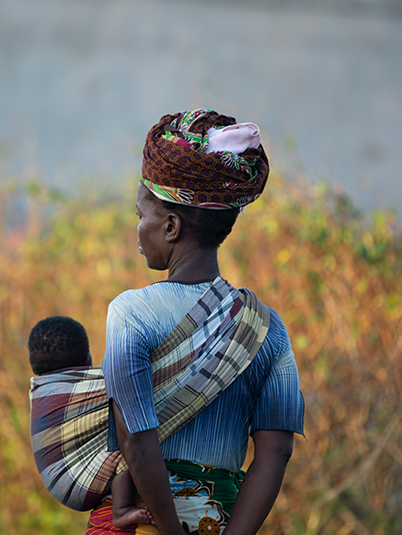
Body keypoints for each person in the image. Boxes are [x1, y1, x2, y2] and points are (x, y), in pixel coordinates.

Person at [91, 109, 305, 535]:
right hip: (219, 523)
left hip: (142, 523)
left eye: (141, 217)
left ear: (170, 226)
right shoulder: (268, 328)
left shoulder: (130, 313)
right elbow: (276, 450)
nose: (137, 232)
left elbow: (135, 437)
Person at [28, 316, 155, 529]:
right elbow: (130, 383)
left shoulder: (40, 394)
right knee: (129, 435)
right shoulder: (93, 389)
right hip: (79, 483)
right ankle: (122, 510)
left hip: (61, 485)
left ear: (34, 367)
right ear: (87, 360)